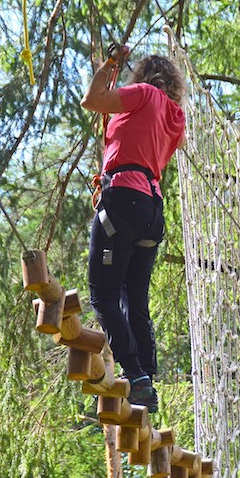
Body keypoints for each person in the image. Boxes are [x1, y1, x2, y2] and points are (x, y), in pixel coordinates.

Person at [80, 49, 186, 413]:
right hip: (152, 210)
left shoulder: (143, 94)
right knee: (133, 297)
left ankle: (136, 374)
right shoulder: (176, 117)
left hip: (125, 199)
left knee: (104, 296)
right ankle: (146, 378)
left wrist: (109, 67)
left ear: (144, 75)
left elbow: (92, 101)